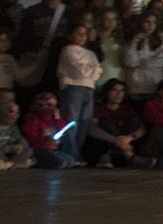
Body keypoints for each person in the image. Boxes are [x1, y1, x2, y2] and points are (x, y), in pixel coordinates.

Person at [56, 22, 101, 160]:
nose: (82, 36)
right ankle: (69, 153)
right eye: (78, 33)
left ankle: (75, 152)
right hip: (73, 87)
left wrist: (92, 71)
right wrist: (93, 71)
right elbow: (81, 70)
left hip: (89, 88)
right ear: (70, 35)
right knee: (71, 120)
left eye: (85, 34)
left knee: (84, 122)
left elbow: (99, 70)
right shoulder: (68, 50)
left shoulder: (90, 53)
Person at [84, 80, 149, 168]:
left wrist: (129, 138)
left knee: (134, 121)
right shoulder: (99, 109)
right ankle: (129, 156)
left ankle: (122, 155)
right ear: (107, 92)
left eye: (122, 90)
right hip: (104, 144)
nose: (119, 94)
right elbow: (91, 129)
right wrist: (116, 140)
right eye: (114, 90)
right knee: (107, 123)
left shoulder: (127, 110)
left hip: (122, 143)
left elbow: (142, 129)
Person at [22, 92, 82, 168]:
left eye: (53, 106)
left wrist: (58, 118)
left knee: (70, 161)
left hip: (53, 150)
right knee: (60, 163)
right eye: (49, 105)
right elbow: (30, 140)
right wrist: (46, 140)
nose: (51, 108)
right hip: (39, 150)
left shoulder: (53, 120)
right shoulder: (33, 120)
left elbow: (63, 130)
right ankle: (35, 162)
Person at [123, 11, 163, 101]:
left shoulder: (160, 41)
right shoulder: (132, 40)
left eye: (153, 22)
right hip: (134, 86)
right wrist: (133, 43)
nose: (150, 25)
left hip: (153, 85)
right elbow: (130, 62)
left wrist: (139, 62)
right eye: (147, 22)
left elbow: (157, 63)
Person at [0, 98, 35, 170]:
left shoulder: (13, 127)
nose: (15, 116)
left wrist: (19, 146)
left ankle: (9, 164)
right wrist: (7, 149)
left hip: (10, 155)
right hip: (2, 152)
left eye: (17, 113)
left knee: (28, 149)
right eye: (11, 112)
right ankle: (12, 165)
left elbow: (19, 140)